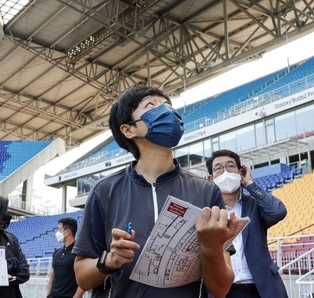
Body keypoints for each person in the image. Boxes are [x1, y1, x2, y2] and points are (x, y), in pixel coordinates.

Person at [74, 85, 238, 298]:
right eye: (151, 105)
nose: (166, 111)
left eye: (168, 105)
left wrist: (211, 248)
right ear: (128, 129)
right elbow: (82, 278)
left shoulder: (207, 191)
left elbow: (220, 289)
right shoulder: (104, 190)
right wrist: (109, 261)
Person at [207, 150, 288, 298]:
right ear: (211, 178)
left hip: (262, 289)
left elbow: (277, 212)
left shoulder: (255, 205)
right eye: (218, 168)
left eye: (231, 166)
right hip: (225, 292)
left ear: (240, 171)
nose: (225, 171)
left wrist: (250, 184)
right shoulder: (207, 213)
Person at [0, 195, 30, 298]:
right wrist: (10, 265)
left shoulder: (11, 239)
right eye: (5, 211)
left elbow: (24, 273)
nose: (7, 215)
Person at [46, 217, 84, 298]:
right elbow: (52, 276)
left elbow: (84, 280)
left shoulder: (79, 253)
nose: (57, 233)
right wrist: (48, 295)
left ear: (67, 232)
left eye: (59, 229)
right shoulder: (57, 253)